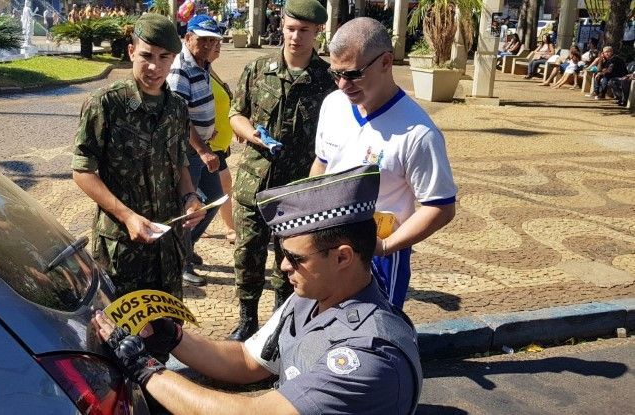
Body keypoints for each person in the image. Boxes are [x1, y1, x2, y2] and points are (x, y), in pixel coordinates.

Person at [92, 164, 423, 415]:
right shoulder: (312, 299)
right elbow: (247, 361)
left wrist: (145, 369)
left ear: (342, 257)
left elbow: (256, 412)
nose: (282, 267)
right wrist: (174, 337)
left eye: (295, 258)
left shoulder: (369, 355)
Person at [309, 17, 457, 309]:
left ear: (386, 62)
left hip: (380, 256)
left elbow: (440, 206)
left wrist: (386, 247)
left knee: (374, 336)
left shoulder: (418, 132)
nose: (342, 85)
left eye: (352, 74)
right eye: (335, 73)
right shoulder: (333, 105)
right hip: (329, 245)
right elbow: (322, 164)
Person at [71, 13, 206, 300]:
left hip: (167, 249)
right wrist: (127, 216)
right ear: (131, 51)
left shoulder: (177, 109)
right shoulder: (106, 104)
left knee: (168, 331)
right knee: (123, 336)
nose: (154, 66)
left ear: (174, 59)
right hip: (122, 249)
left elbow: (180, 162)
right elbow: (82, 171)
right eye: (146, 55)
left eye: (164, 57)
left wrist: (191, 197)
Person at [227, 0, 336, 341]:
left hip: (298, 190)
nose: (295, 37)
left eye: (304, 31)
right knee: (247, 255)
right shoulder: (258, 69)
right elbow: (235, 114)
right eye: (290, 28)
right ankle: (246, 321)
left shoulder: (327, 81)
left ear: (318, 31)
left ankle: (280, 323)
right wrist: (251, 135)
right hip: (253, 186)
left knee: (290, 260)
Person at [166, 14, 225, 287]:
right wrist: (202, 149)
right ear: (188, 38)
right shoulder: (181, 68)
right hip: (189, 151)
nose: (209, 45)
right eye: (203, 40)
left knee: (214, 197)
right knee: (192, 207)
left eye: (213, 40)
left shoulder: (202, 64)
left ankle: (186, 250)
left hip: (202, 145)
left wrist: (207, 129)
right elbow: (179, 117)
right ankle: (181, 263)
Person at [207, 40, 238, 243]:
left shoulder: (208, 69)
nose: (216, 46)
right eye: (210, 42)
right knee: (223, 183)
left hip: (221, 143)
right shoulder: (194, 72)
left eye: (218, 42)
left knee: (220, 186)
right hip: (208, 144)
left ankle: (227, 226)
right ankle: (229, 227)